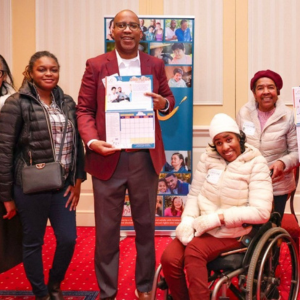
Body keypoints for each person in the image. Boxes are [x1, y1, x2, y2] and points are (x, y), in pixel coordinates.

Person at [76, 9, 175, 300]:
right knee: (107, 233)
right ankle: (107, 292)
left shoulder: (155, 64)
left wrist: (163, 104)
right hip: (108, 157)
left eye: (133, 25)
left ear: (141, 32)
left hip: (145, 159)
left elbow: (168, 99)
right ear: (113, 31)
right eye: (122, 25)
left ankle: (144, 287)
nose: (128, 30)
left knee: (146, 228)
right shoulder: (95, 65)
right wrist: (93, 142)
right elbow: (83, 109)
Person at [0, 51, 86, 300]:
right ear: (30, 72)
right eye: (42, 69)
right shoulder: (16, 103)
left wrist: (78, 181)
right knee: (33, 242)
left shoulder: (67, 102)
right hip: (29, 187)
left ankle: (55, 284)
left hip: (63, 187)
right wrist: (6, 195)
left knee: (68, 239)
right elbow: (4, 151)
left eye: (53, 69)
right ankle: (41, 293)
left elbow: (76, 144)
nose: (49, 74)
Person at [161, 113, 273, 300]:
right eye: (219, 142)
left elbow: (261, 212)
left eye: (229, 140)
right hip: (202, 225)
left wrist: (217, 218)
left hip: (234, 230)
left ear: (239, 137)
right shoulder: (208, 158)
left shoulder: (256, 162)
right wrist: (187, 220)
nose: (225, 147)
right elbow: (195, 195)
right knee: (169, 259)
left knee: (194, 252)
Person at [237, 70, 299, 220]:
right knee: (250, 229)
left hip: (278, 185)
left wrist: (282, 163)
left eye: (271, 87)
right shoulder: (243, 113)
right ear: (254, 93)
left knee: (272, 229)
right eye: (260, 88)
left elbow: (296, 153)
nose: (266, 92)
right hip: (249, 183)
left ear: (277, 91)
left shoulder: (289, 116)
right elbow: (238, 146)